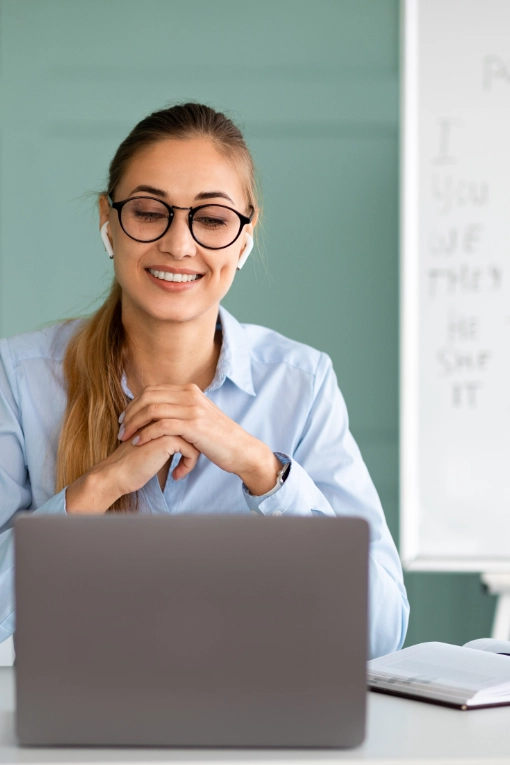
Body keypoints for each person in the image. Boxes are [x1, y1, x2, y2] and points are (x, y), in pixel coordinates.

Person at [0, 102, 409, 659]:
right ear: (108, 220)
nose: (179, 244)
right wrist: (97, 490)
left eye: (212, 220)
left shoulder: (301, 383)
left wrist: (261, 469)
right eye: (149, 211)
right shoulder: (20, 377)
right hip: (74, 744)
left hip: (262, 737)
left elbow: (381, 633)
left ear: (243, 238)